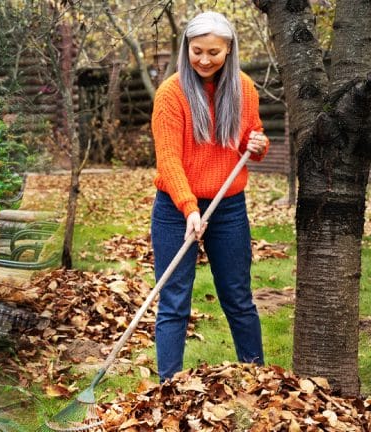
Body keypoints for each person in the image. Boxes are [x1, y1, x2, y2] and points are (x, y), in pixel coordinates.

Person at [150, 11, 269, 382]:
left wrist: (259, 144)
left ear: (229, 50)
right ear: (186, 47)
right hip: (175, 207)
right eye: (197, 51)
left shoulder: (243, 88)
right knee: (173, 301)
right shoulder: (172, 93)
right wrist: (188, 207)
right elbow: (168, 159)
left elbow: (253, 138)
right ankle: (168, 387)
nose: (204, 60)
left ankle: (258, 379)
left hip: (228, 206)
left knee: (238, 297)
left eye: (213, 52)